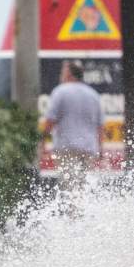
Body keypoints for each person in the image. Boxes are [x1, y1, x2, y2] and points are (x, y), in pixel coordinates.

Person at [41, 60, 103, 191]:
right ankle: (80, 209)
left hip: (67, 147)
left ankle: (74, 211)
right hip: (88, 148)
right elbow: (100, 126)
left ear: (69, 74)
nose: (61, 75)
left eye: (63, 72)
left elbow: (50, 120)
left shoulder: (60, 92)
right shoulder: (93, 95)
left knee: (70, 186)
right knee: (82, 185)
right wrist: (100, 150)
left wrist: (42, 143)